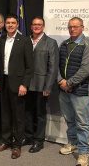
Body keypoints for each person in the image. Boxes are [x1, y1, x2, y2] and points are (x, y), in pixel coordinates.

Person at [0, 14, 33, 159]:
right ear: (5, 25)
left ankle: (17, 145)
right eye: (8, 23)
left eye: (13, 23)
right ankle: (6, 141)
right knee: (5, 114)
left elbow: (30, 66)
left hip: (18, 85)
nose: (10, 25)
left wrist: (24, 84)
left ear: (17, 25)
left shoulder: (24, 41)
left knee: (18, 116)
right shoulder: (1, 40)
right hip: (3, 82)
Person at [58, 17, 89, 166]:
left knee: (82, 123)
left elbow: (86, 69)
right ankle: (72, 143)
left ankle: (84, 152)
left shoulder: (88, 45)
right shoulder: (64, 44)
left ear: (82, 27)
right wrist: (60, 81)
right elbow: (57, 65)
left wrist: (69, 83)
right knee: (70, 120)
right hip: (63, 90)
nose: (72, 29)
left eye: (75, 26)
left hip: (79, 91)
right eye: (70, 27)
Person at [24, 16, 59, 153]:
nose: (36, 26)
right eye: (34, 24)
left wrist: (48, 86)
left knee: (39, 114)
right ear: (31, 26)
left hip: (41, 85)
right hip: (26, 84)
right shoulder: (26, 40)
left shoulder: (51, 42)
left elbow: (53, 67)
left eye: (39, 24)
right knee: (27, 112)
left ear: (43, 26)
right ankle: (28, 137)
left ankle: (38, 141)